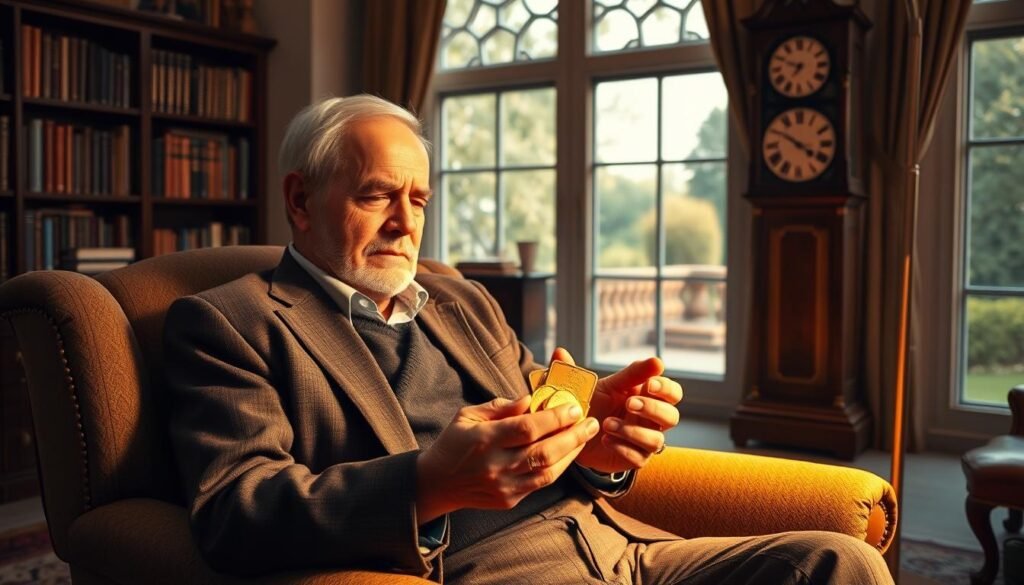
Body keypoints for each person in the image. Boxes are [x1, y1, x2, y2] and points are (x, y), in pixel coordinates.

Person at [164, 94, 894, 585]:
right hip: (489, 569)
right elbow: (236, 511)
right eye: (376, 194)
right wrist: (428, 482)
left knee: (839, 561)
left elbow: (552, 433)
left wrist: (600, 446)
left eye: (417, 199)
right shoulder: (229, 324)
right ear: (299, 199)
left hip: (624, 548)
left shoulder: (461, 298)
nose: (405, 223)